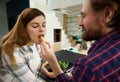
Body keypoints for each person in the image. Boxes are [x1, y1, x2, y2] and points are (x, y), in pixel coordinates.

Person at [40, 0, 120, 82]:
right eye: (35, 26)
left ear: (107, 14)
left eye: (84, 16)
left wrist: (52, 61)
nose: (80, 23)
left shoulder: (88, 67)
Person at [0, 8, 55, 82]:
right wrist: (52, 59)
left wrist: (47, 73)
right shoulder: (13, 52)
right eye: (35, 26)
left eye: (44, 25)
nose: (42, 29)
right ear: (24, 29)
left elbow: (36, 62)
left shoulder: (35, 43)